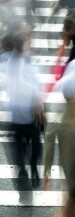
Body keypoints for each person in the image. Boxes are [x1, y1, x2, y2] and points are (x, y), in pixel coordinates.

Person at [2, 34, 43, 190]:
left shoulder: (17, 61)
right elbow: (20, 81)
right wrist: (36, 94)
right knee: (35, 145)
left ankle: (25, 169)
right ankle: (31, 167)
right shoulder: (16, 63)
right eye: (26, 45)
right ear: (21, 48)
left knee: (20, 145)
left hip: (18, 113)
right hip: (26, 113)